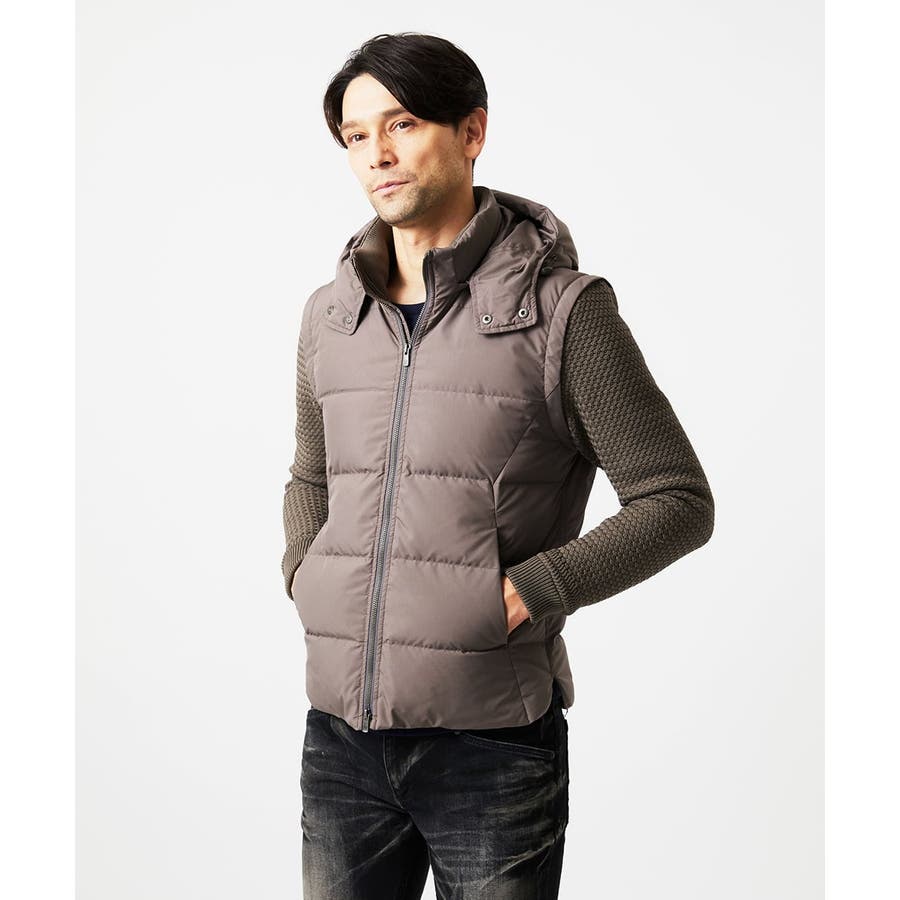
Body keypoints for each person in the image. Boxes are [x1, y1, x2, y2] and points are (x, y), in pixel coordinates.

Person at [281, 31, 715, 900]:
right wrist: (307, 575)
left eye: (402, 124)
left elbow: (676, 499)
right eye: (357, 136)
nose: (378, 155)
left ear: (472, 131)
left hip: (491, 748)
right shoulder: (331, 315)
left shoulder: (564, 314)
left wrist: (525, 592)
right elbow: (311, 475)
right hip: (340, 743)